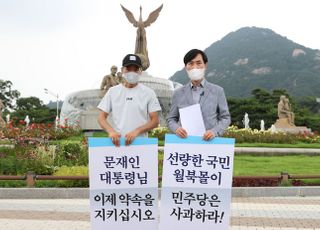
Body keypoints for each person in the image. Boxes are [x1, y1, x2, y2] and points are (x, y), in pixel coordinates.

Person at [98, 54, 161, 146]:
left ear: (140, 71)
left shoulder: (148, 93)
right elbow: (101, 118)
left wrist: (137, 131)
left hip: (140, 143)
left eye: (135, 69)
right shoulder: (113, 91)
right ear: (122, 70)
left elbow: (155, 121)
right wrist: (111, 131)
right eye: (128, 69)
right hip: (118, 143)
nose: (132, 72)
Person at [166, 49, 231, 140]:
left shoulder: (218, 91)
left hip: (209, 142)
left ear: (205, 65)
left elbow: (225, 118)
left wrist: (214, 131)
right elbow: (171, 119)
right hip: (184, 142)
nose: (195, 67)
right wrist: (176, 129)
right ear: (186, 67)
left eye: (198, 63)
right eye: (191, 63)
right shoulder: (178, 93)